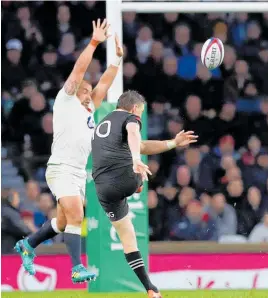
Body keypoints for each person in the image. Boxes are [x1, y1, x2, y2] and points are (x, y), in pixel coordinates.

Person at [15, 19, 122, 284]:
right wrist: (95, 42)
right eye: (85, 89)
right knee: (77, 215)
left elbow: (105, 84)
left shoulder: (88, 109)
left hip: (76, 172)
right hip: (60, 167)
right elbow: (79, 69)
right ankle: (76, 268)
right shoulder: (65, 100)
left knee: (62, 222)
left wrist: (117, 60)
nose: (89, 93)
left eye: (89, 91)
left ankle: (28, 244)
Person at [91, 90, 197, 298]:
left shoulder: (103, 123)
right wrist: (136, 159)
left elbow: (141, 144)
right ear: (134, 108)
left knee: (128, 237)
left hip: (102, 189)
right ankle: (137, 184)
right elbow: (133, 133)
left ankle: (150, 288)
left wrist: (173, 143)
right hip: (125, 177)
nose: (139, 116)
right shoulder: (130, 119)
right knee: (141, 174)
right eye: (140, 111)